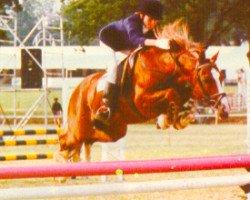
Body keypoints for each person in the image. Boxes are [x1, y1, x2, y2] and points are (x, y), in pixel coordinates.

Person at [94, 0, 177, 126]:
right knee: (114, 68)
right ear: (141, 15)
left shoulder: (151, 28)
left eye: (156, 20)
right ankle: (106, 106)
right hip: (109, 42)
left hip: (125, 45)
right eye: (151, 19)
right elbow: (135, 39)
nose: (153, 23)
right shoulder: (131, 21)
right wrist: (156, 43)